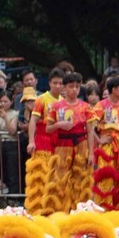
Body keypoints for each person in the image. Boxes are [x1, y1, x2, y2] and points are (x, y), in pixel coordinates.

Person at [47, 72, 94, 212]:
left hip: (81, 144)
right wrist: (58, 125)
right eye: (71, 86)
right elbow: (48, 128)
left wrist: (91, 153)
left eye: (77, 86)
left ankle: (79, 208)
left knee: (81, 178)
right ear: (64, 88)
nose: (74, 89)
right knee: (60, 178)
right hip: (63, 145)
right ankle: (60, 210)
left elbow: (90, 131)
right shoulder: (56, 106)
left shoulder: (86, 106)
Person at [25, 68, 65, 213]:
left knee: (57, 175)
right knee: (40, 175)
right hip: (42, 139)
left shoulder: (64, 102)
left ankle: (55, 208)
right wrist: (31, 141)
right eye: (55, 83)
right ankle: (37, 209)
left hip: (58, 142)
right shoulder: (41, 99)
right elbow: (33, 121)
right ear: (49, 83)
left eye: (60, 83)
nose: (58, 86)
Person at [92, 76, 119, 209]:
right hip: (108, 146)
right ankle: (103, 207)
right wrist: (99, 140)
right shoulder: (101, 105)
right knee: (107, 176)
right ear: (114, 89)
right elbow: (89, 125)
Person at [0, 91, 21, 196]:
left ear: (11, 102)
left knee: (12, 172)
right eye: (1, 101)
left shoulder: (15, 113)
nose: (3, 104)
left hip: (11, 144)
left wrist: (5, 117)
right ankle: (1, 185)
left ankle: (14, 198)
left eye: (5, 101)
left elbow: (12, 131)